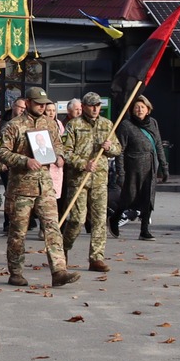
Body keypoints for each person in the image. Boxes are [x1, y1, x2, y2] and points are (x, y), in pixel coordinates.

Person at [0, 87, 79, 288]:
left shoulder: (50, 124)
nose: (42, 107)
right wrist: (24, 160)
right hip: (22, 187)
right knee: (18, 232)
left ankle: (59, 270)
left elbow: (59, 145)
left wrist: (59, 156)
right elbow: (0, 152)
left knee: (52, 228)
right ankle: (16, 272)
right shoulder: (14, 125)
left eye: (44, 104)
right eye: (38, 103)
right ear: (29, 103)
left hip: (45, 185)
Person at [58, 91, 122, 272]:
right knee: (77, 220)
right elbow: (66, 152)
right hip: (79, 179)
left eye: (98, 105)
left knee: (100, 220)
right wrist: (82, 164)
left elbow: (118, 148)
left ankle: (96, 257)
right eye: (91, 105)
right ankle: (63, 250)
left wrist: (110, 148)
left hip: (100, 180)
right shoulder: (74, 125)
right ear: (84, 106)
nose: (95, 109)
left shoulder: (107, 124)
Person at [114, 94, 164, 240]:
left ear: (148, 110)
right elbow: (120, 150)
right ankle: (115, 218)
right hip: (132, 168)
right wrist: (120, 172)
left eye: (142, 107)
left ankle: (144, 230)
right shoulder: (126, 126)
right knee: (128, 198)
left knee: (148, 198)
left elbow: (158, 144)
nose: (139, 110)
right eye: (136, 107)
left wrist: (164, 166)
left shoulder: (153, 123)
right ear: (132, 110)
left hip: (151, 167)